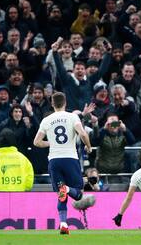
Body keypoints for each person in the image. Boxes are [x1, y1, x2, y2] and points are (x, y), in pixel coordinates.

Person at [33, 92, 92, 235]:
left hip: (54, 161)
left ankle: (63, 224)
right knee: (78, 194)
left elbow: (36, 142)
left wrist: (51, 142)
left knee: (61, 195)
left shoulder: (47, 120)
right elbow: (83, 134)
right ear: (65, 103)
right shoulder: (72, 117)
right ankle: (66, 190)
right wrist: (89, 146)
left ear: (52, 104)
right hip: (70, 159)